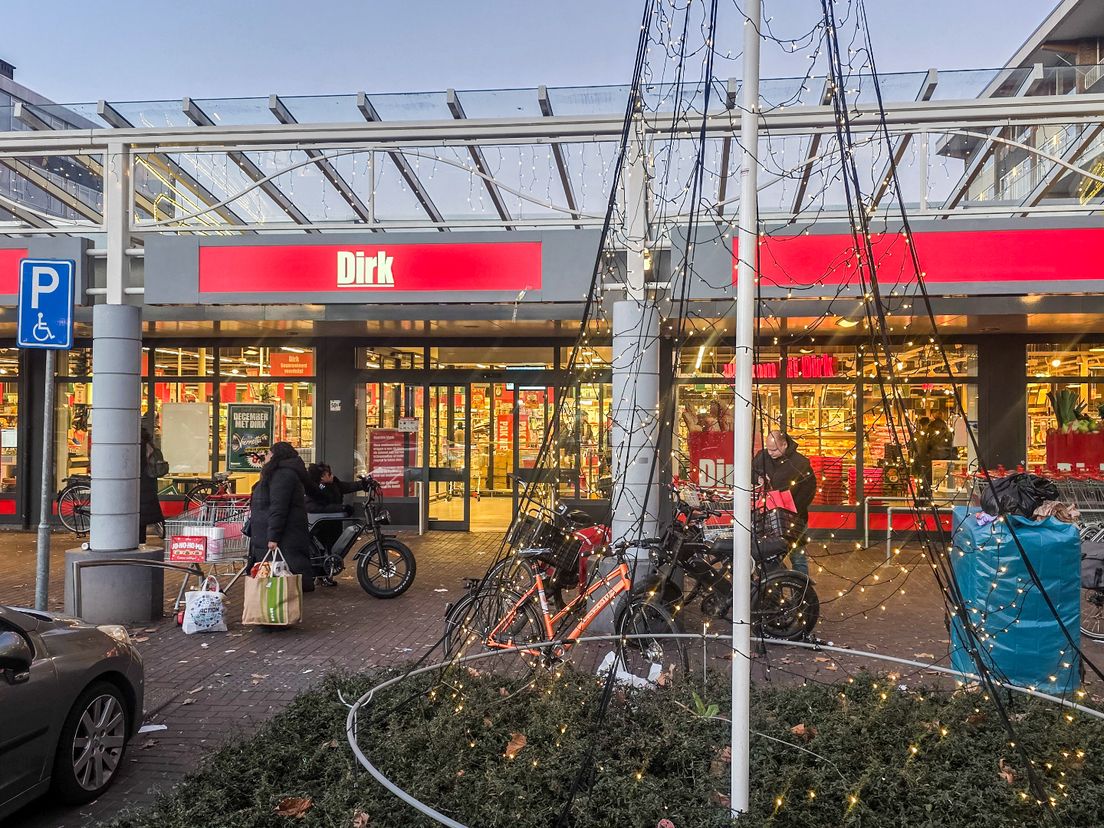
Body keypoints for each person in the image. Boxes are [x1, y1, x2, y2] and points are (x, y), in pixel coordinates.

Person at [248, 442, 317, 592]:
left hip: (283, 536)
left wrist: (273, 536)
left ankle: (285, 603)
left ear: (275, 455)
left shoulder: (282, 475)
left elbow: (279, 507)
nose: (265, 456)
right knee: (285, 578)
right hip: (285, 533)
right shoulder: (283, 473)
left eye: (268, 453)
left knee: (285, 580)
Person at [752, 430, 817, 576]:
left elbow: (809, 491)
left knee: (797, 557)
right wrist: (758, 478)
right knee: (769, 557)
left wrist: (792, 509)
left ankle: (801, 592)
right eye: (768, 449)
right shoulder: (762, 456)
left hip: (793, 517)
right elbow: (751, 472)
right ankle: (778, 586)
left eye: (774, 449)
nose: (770, 453)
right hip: (767, 516)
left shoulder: (800, 463)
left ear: (785, 445)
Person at [306, 462, 363, 557]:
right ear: (322, 477)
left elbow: (346, 486)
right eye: (329, 474)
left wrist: (362, 484)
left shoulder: (333, 484)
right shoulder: (314, 490)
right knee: (326, 548)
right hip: (321, 525)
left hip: (333, 522)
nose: (332, 475)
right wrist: (342, 508)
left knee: (336, 546)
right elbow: (317, 507)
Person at [138, 428, 166, 545]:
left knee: (139, 514)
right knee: (146, 512)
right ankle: (143, 539)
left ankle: (140, 540)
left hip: (140, 482)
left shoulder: (138, 448)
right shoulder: (152, 448)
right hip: (150, 482)